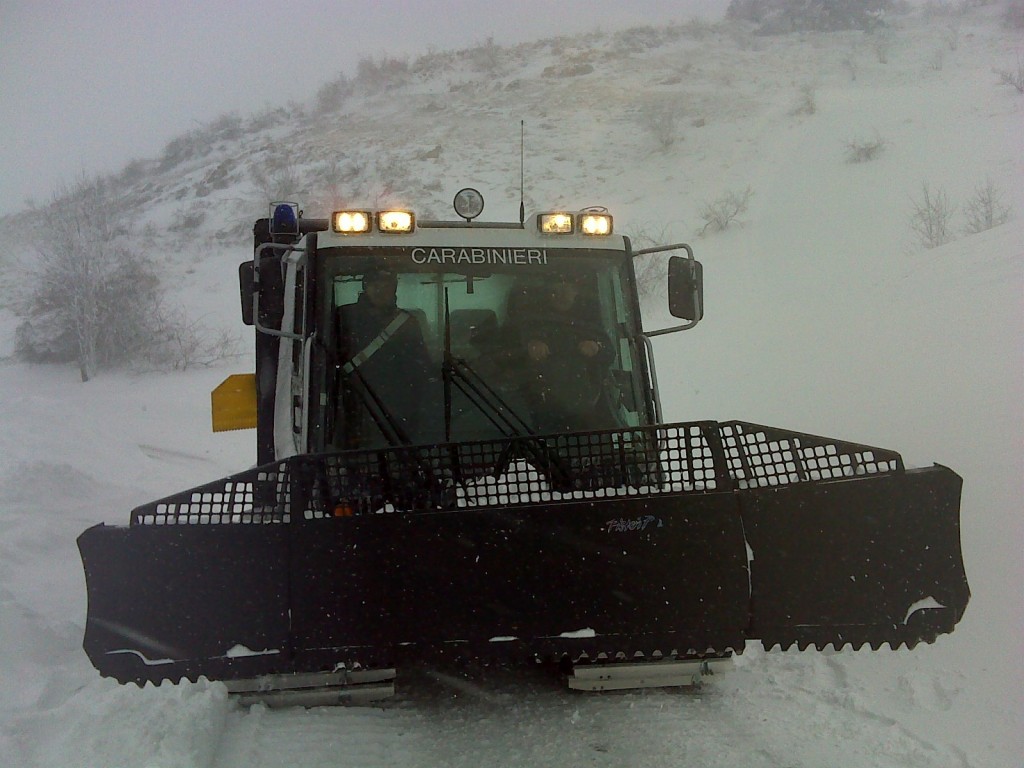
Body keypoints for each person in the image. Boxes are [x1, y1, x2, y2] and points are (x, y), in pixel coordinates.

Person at [499, 274, 616, 435]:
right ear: (547, 293)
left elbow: (610, 353)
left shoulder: (590, 321)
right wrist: (528, 347)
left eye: (566, 289)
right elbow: (502, 357)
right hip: (534, 409)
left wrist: (597, 348)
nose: (561, 295)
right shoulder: (527, 321)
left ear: (576, 292)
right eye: (555, 290)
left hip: (586, 408)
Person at [333, 268, 433, 449]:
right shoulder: (342, 318)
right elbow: (328, 361)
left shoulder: (407, 324)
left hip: (397, 407)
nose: (380, 290)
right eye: (375, 285)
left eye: (386, 286)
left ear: (394, 289)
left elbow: (420, 368)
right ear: (365, 287)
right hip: (353, 403)